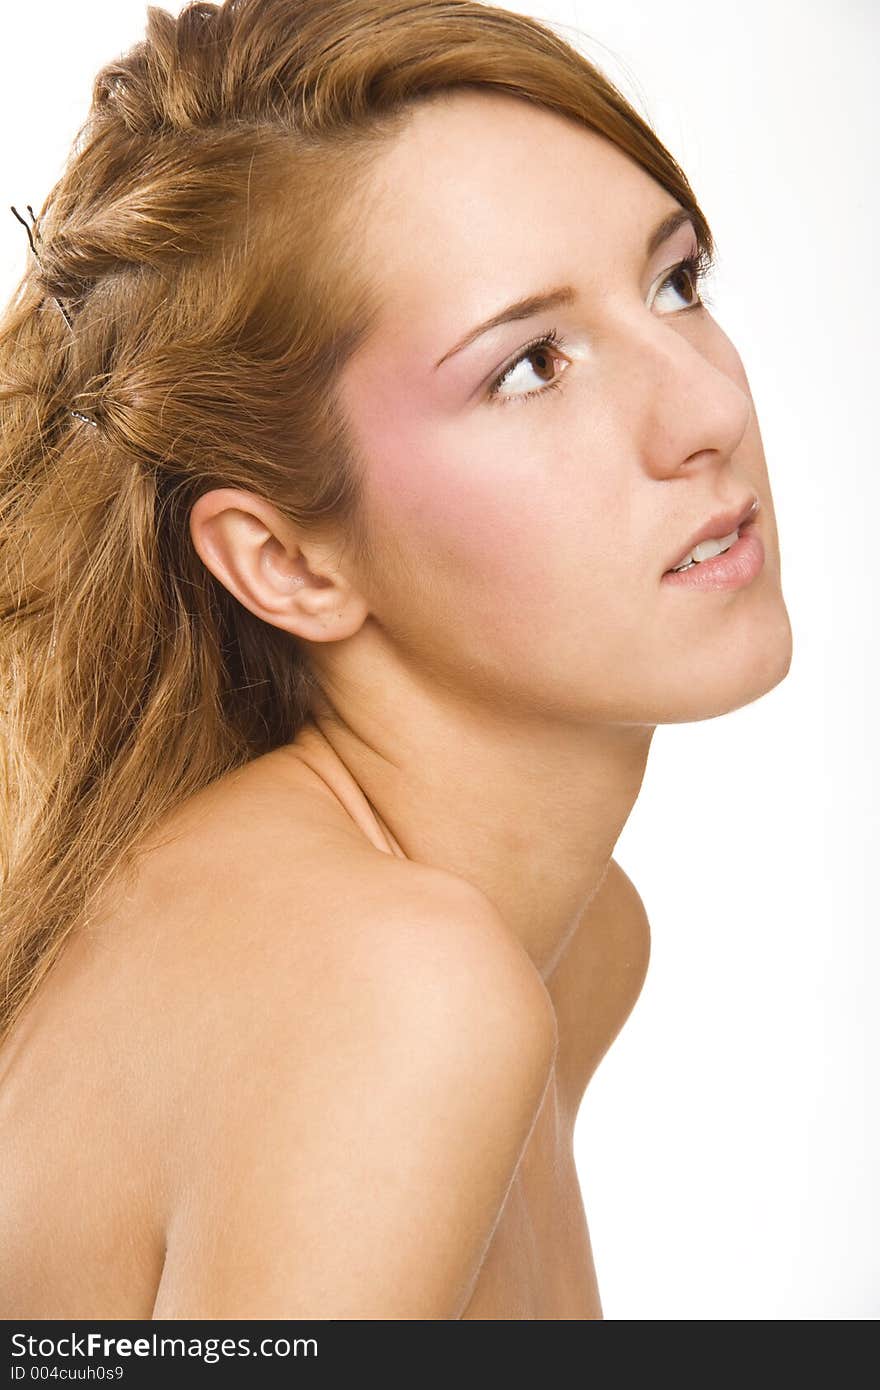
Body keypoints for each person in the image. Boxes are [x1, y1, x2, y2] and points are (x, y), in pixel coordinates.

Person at [0, 0, 793, 1320]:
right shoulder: (397, 990)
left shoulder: (577, 941)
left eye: (677, 283)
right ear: (288, 562)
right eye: (533, 365)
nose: (711, 410)